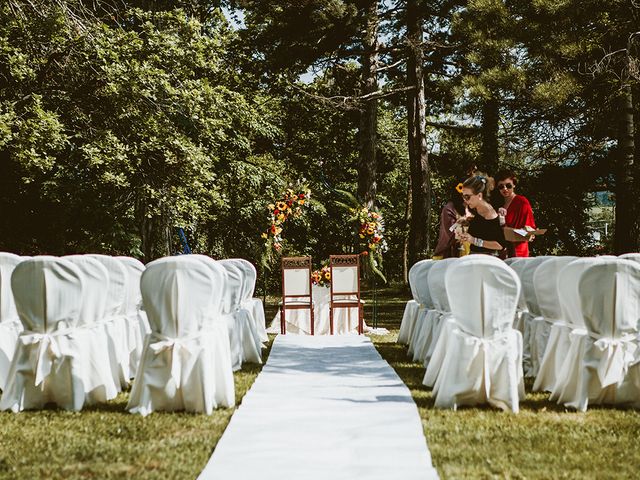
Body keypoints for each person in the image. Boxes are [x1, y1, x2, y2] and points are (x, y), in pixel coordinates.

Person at [457, 174, 508, 256]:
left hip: (485, 261)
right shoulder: (476, 208)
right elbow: (483, 228)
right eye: (463, 197)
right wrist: (467, 221)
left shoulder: (490, 214)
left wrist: (474, 240)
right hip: (474, 257)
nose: (465, 201)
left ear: (479, 195)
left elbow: (500, 245)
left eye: (467, 197)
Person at [494, 169, 536, 257]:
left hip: (518, 254)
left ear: (514, 185)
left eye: (508, 185)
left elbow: (530, 233)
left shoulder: (522, 202)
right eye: (501, 186)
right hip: (501, 254)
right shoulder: (499, 205)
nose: (505, 189)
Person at [433, 183, 468, 258]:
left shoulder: (474, 208)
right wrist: (461, 222)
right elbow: (452, 232)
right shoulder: (449, 209)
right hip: (446, 256)